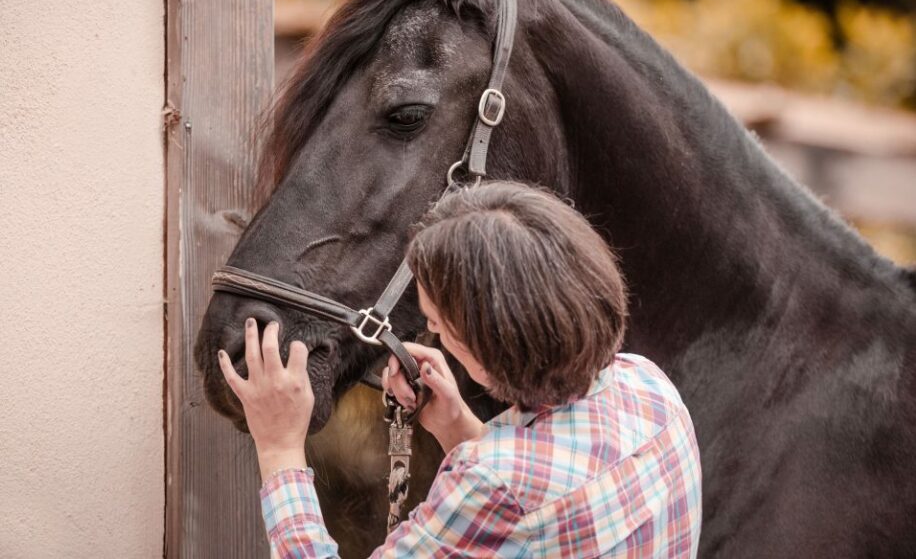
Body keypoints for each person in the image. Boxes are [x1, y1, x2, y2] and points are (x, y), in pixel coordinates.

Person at [217, 181, 702, 557]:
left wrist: (279, 447)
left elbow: (512, 502)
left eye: (437, 326)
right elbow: (545, 521)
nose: (436, 341)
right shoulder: (651, 389)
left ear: (492, 344)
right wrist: (460, 430)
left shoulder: (488, 484)